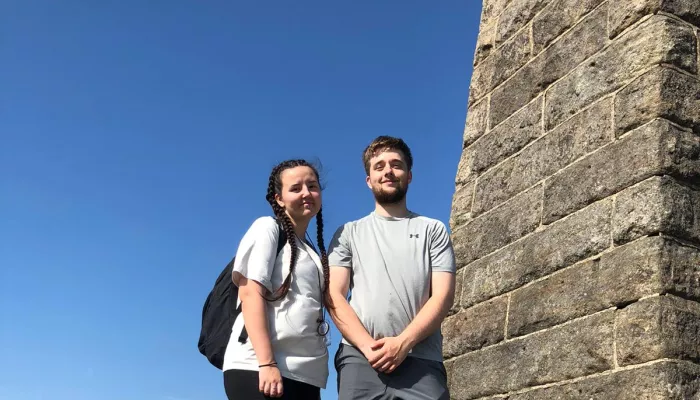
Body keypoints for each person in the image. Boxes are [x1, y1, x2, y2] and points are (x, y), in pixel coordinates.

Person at [328, 136, 456, 400]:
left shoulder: (433, 230)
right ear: (369, 180)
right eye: (379, 166)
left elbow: (443, 296)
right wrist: (366, 346)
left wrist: (404, 342)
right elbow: (333, 295)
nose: (388, 171)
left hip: (422, 360)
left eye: (396, 165)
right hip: (360, 360)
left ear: (409, 176)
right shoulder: (348, 233)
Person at [222, 159, 330, 400]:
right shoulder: (267, 228)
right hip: (258, 367)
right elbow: (250, 293)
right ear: (278, 198)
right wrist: (267, 363)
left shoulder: (311, 251)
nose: (306, 193)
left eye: (312, 186)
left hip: (306, 374)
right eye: (296, 188)